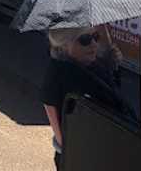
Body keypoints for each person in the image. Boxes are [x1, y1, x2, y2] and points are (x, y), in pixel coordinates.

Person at [41, 25, 130, 169]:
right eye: (85, 40)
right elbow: (62, 140)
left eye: (95, 37)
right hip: (87, 159)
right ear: (64, 45)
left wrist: (110, 58)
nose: (94, 44)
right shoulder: (58, 77)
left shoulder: (92, 64)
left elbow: (114, 93)